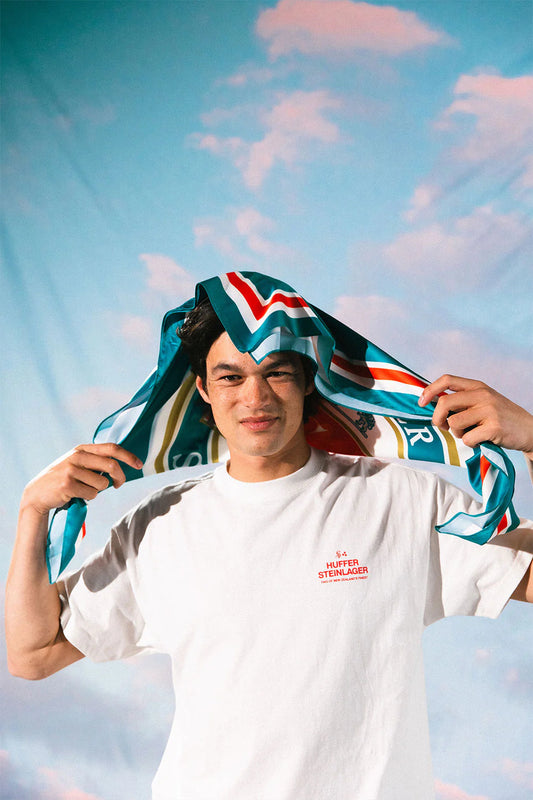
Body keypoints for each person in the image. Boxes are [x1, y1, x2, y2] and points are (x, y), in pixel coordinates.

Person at [6, 294, 533, 800]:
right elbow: (34, 653)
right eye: (230, 377)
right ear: (204, 390)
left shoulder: (401, 499)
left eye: (276, 372)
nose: (255, 398)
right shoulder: (160, 525)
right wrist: (33, 513)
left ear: (308, 380)